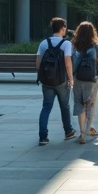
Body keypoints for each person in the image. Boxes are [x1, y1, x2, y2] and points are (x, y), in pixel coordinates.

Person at [36, 17, 78, 145]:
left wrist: (44, 75)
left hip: (47, 81)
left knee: (46, 107)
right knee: (65, 106)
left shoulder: (44, 43)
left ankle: (43, 137)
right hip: (61, 80)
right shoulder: (66, 44)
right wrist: (71, 78)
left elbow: (38, 63)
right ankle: (68, 131)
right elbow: (68, 62)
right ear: (63, 28)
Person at [71, 21, 98, 144]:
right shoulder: (96, 46)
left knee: (79, 103)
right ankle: (87, 130)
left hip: (78, 78)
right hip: (92, 79)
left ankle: (81, 134)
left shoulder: (74, 45)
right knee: (90, 104)